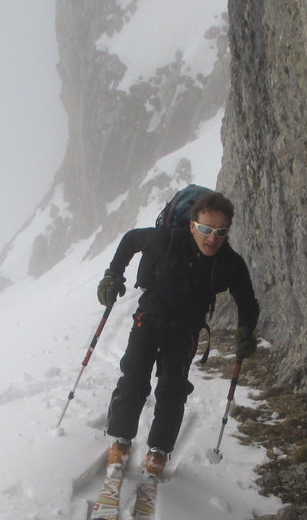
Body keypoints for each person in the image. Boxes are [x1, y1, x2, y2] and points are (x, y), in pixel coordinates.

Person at [96, 190, 259, 478]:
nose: (212, 239)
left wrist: (246, 331)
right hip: (151, 319)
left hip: (185, 331)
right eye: (206, 229)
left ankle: (158, 451)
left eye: (221, 232)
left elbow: (246, 298)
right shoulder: (168, 240)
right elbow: (132, 239)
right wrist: (113, 275)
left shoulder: (230, 263)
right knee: (134, 378)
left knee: (172, 389)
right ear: (192, 225)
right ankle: (120, 440)